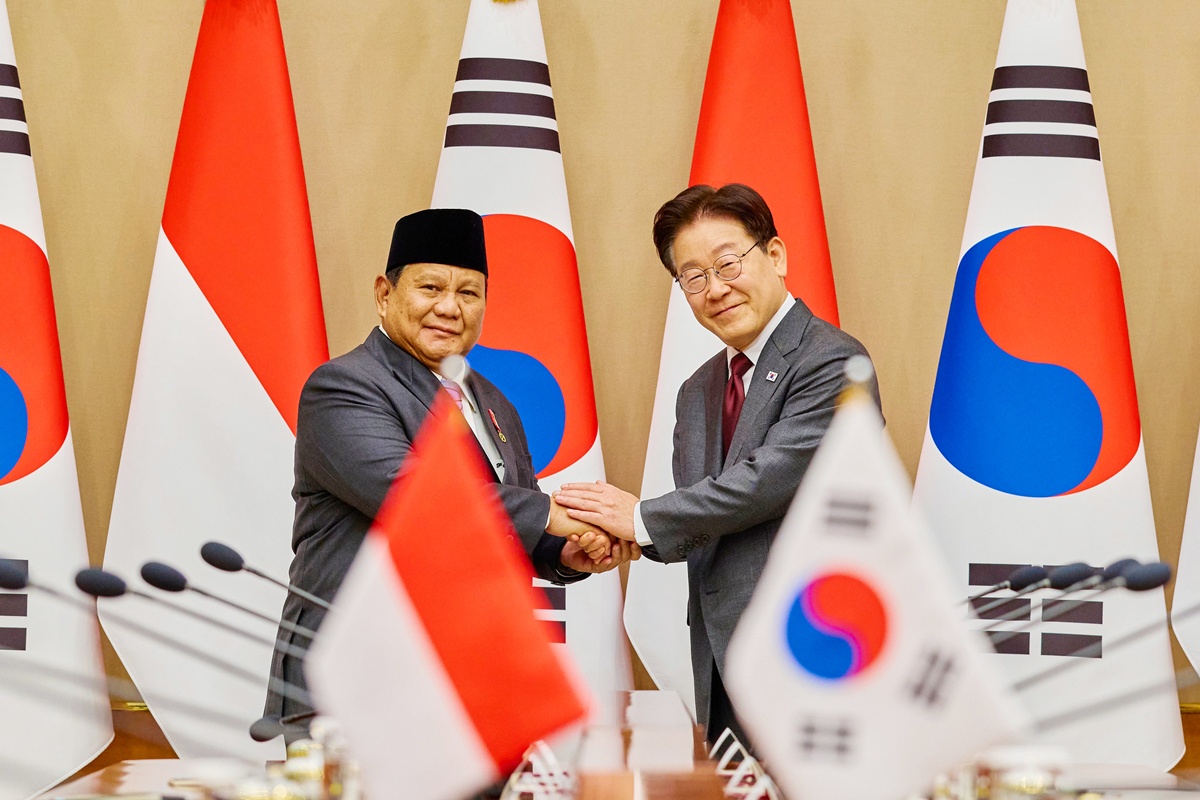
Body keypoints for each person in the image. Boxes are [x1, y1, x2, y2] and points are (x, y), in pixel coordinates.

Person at [268, 208, 637, 721]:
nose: (449, 307)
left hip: (470, 690)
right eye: (431, 288)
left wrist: (565, 551)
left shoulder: (494, 403)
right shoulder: (344, 388)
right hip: (359, 679)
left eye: (469, 293)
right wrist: (555, 515)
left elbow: (509, 525)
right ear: (384, 293)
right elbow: (420, 499)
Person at [555, 184, 879, 747]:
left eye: (728, 263)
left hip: (814, 649)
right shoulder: (698, 389)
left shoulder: (834, 361)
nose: (716, 288)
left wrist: (638, 520)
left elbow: (761, 484)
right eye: (694, 277)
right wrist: (628, 537)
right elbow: (708, 518)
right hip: (720, 652)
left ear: (774, 256)